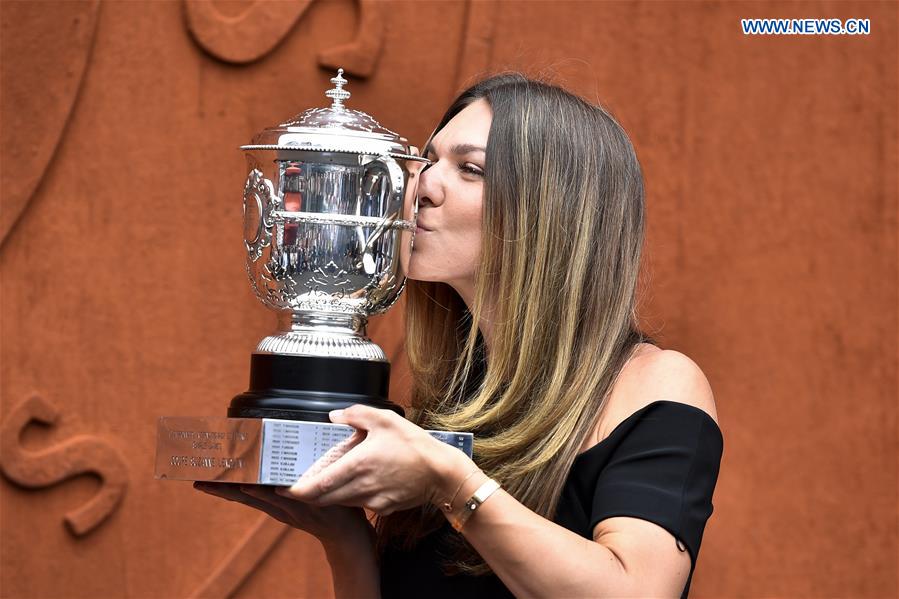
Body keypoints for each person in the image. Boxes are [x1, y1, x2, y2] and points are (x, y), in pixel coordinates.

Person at [196, 73, 723, 598]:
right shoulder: (455, 405)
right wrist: (345, 536)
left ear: (552, 210)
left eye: (470, 169)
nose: (419, 184)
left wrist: (454, 484)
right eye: (428, 161)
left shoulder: (656, 383)